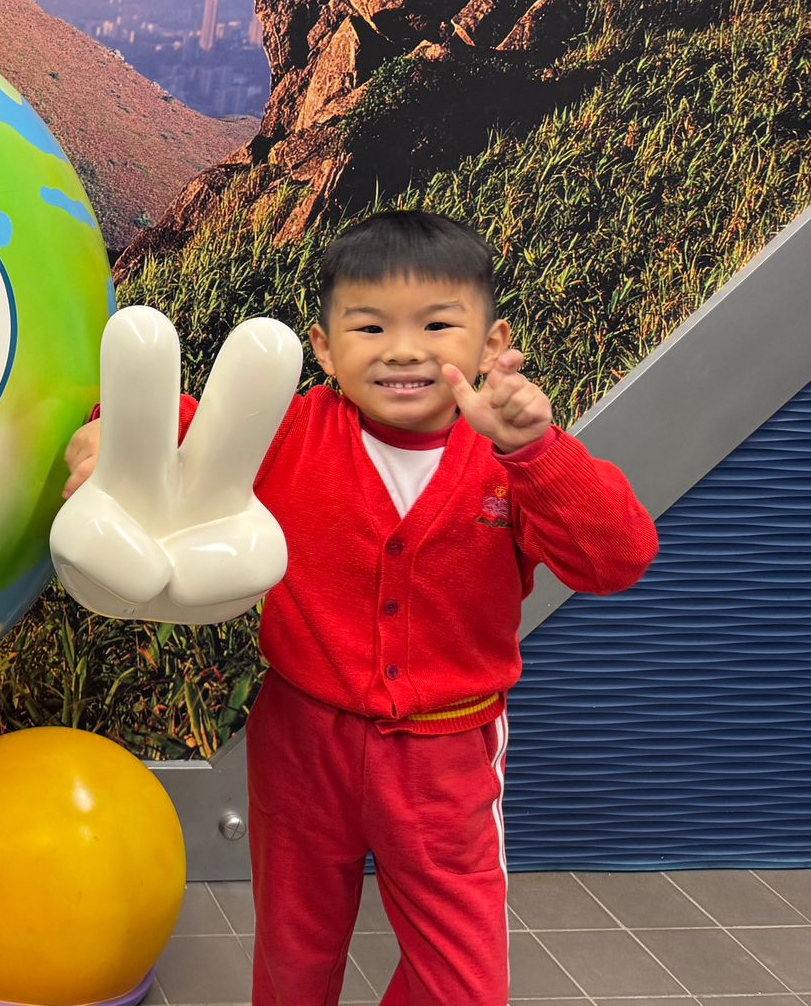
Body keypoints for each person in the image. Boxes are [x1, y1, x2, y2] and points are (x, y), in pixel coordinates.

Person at [64, 210, 658, 1005]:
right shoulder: (294, 431)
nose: (403, 350)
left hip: (447, 758)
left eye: (437, 325)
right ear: (323, 347)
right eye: (370, 326)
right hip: (302, 742)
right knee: (294, 956)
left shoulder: (509, 461)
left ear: (492, 344)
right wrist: (106, 435)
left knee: (463, 982)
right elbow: (185, 430)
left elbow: (617, 559)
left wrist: (536, 451)